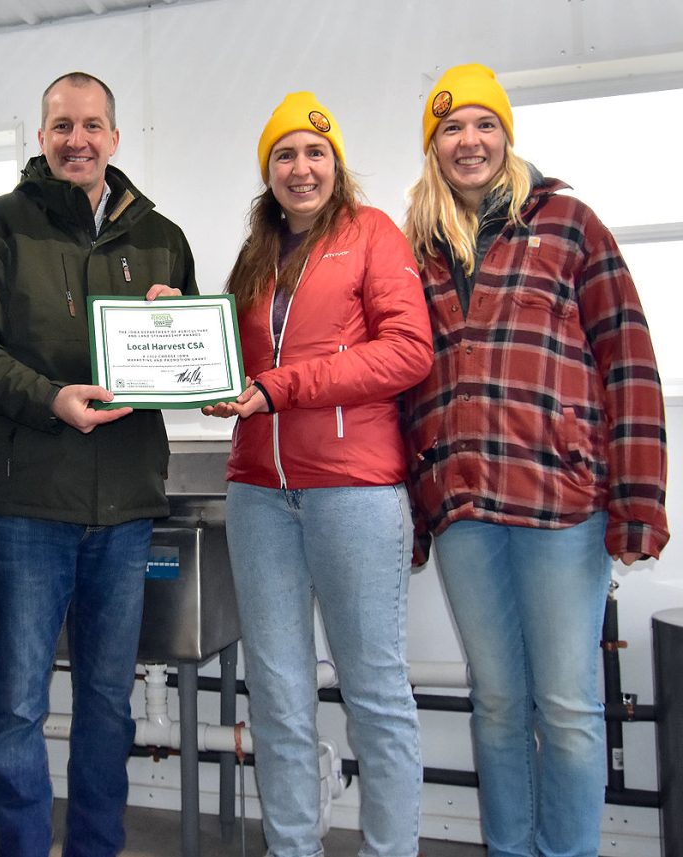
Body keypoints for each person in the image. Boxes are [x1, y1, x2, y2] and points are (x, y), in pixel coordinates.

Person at [402, 63, 669, 857]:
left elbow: (628, 360)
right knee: (497, 702)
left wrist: (640, 500)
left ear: (506, 136)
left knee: (570, 706)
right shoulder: (414, 248)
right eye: (451, 128)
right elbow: (403, 383)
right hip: (462, 508)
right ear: (433, 147)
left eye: (484, 124)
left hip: (563, 505)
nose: (469, 141)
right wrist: (414, 508)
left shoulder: (569, 223)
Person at [0, 71, 197, 857]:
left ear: (115, 138)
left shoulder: (163, 236)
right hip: (27, 507)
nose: (76, 139)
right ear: (41, 137)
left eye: (92, 125)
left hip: (124, 508)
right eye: (61, 126)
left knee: (108, 704)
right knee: (18, 702)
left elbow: (195, 360)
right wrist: (50, 398)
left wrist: (175, 335)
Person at [203, 92, 431, 857]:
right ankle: (291, 846)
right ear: (267, 170)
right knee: (278, 692)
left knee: (374, 692)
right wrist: (180, 331)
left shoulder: (373, 236)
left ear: (337, 164)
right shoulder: (257, 254)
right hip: (258, 491)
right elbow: (239, 366)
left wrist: (286, 385)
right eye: (284, 155)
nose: (301, 169)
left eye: (315, 153)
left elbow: (408, 351)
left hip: (354, 488)